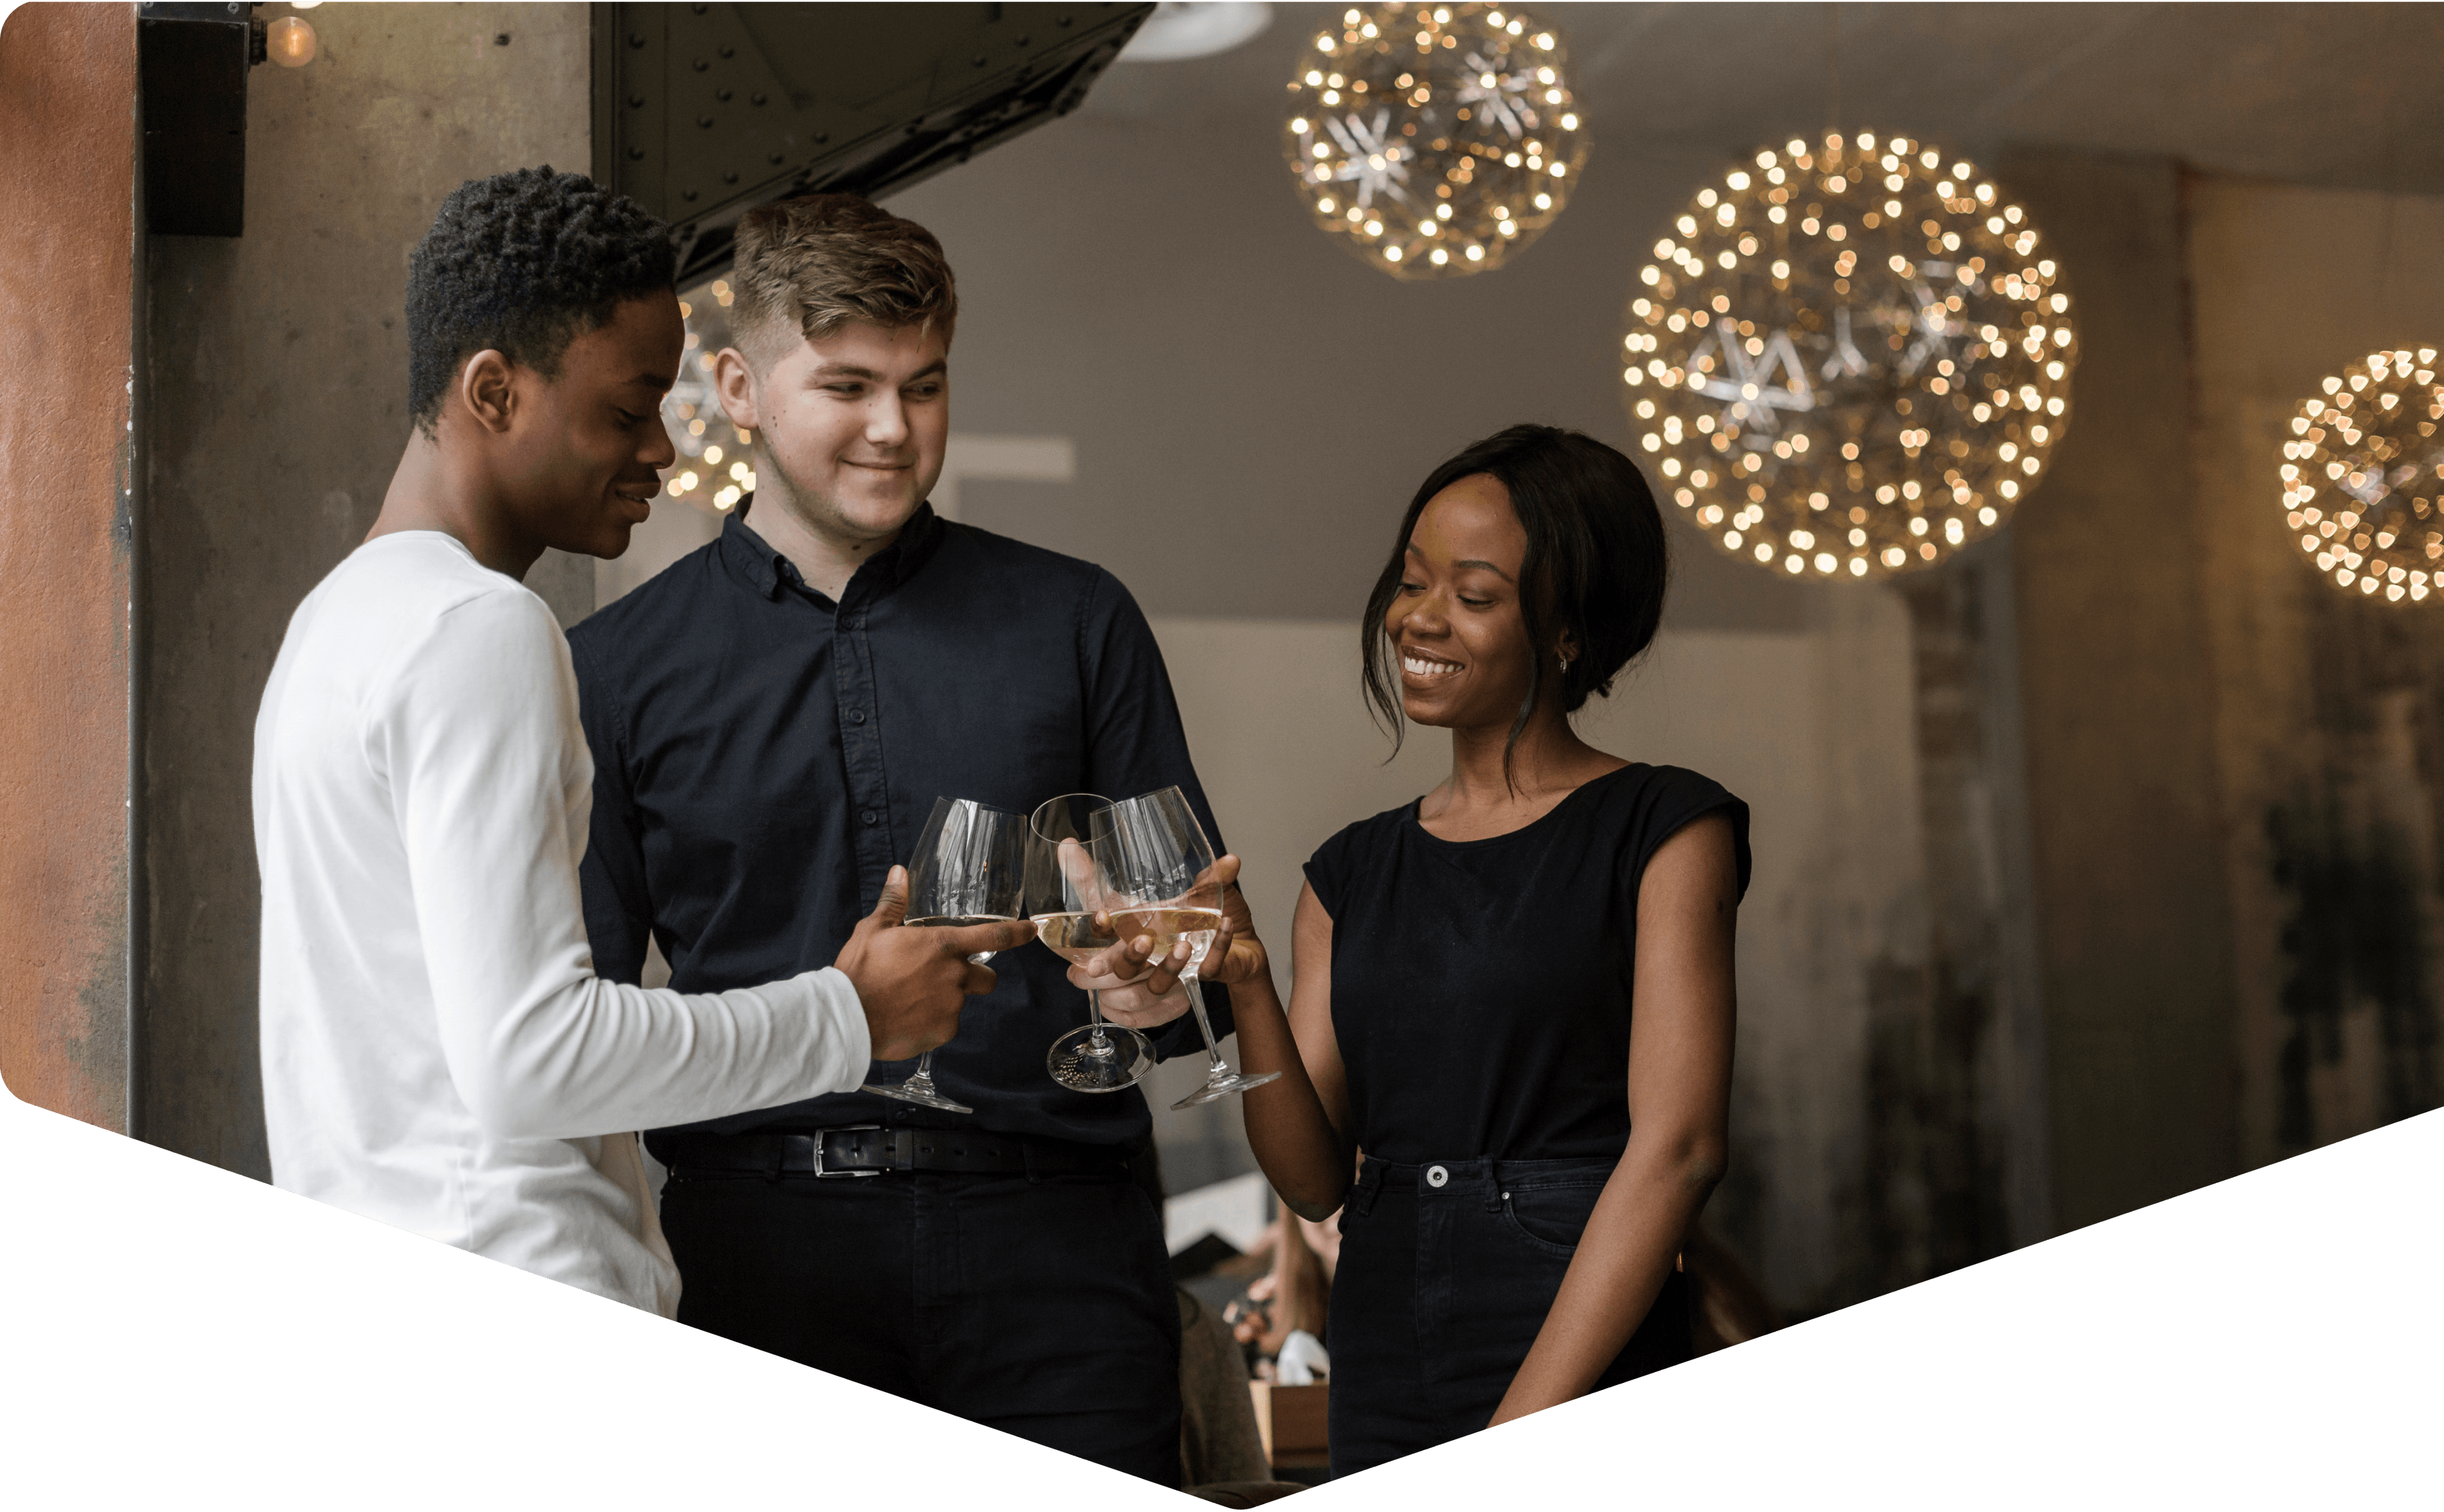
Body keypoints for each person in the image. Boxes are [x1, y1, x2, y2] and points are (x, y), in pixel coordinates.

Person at [253, 167, 1025, 1318]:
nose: (663, 454)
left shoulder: (332, 624)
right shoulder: (482, 627)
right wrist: (848, 1015)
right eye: (626, 410)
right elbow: (532, 1059)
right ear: (493, 393)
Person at [565, 193, 1227, 1485]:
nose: (893, 427)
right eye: (850, 385)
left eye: (923, 386)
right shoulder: (613, 673)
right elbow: (572, 1032)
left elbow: (1192, 955)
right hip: (759, 1266)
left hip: (1061, 1258)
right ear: (738, 386)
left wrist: (1164, 979)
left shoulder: (1078, 622)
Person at [1110, 424, 1749, 1475]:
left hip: (1578, 1315)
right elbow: (1315, 1181)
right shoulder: (1349, 872)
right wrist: (1253, 986)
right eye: (1412, 582)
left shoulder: (1666, 827)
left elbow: (1679, 1151)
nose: (1419, 616)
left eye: (1475, 593)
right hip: (1386, 1323)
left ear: (1567, 632)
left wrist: (1524, 1420)